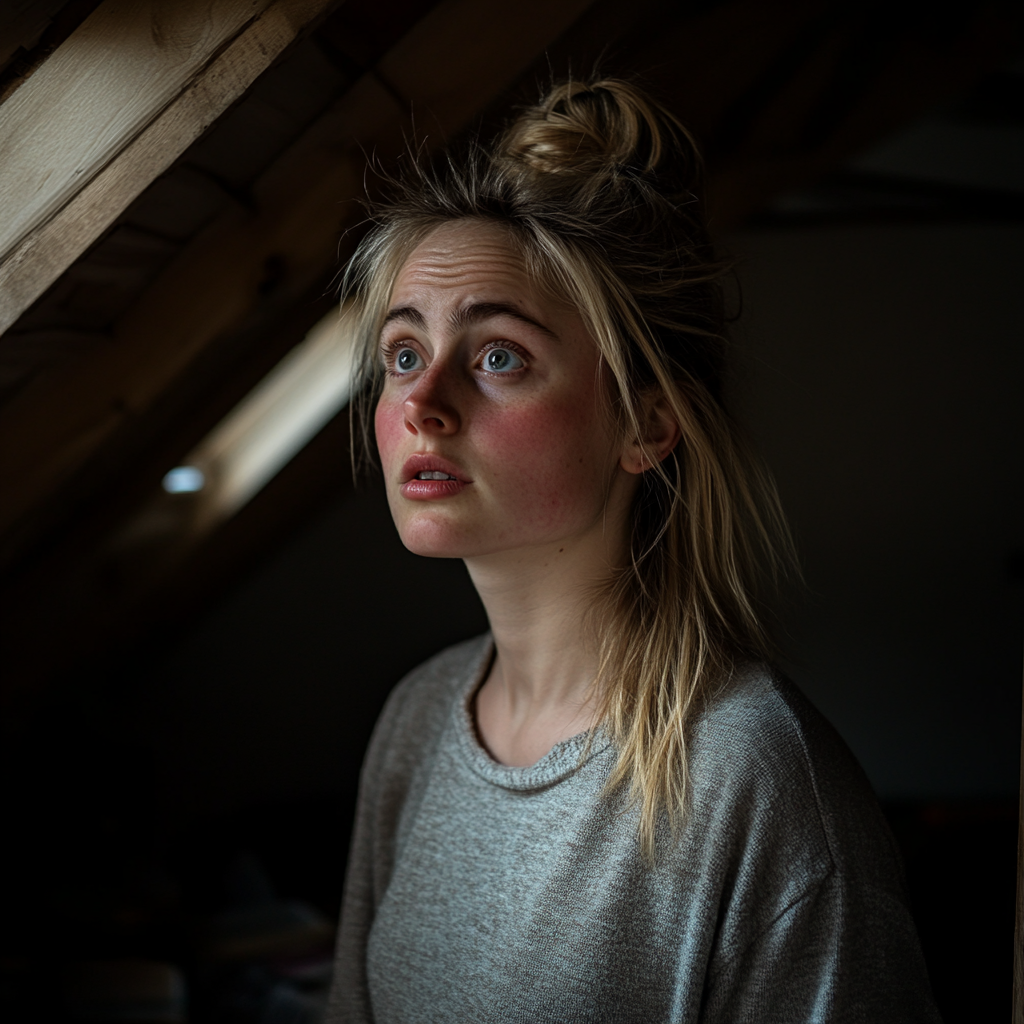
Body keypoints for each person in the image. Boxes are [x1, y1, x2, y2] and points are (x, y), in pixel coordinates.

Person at [325, 79, 940, 1023]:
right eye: (404, 354)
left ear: (647, 426)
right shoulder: (415, 721)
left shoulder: (755, 780)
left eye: (499, 357)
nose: (422, 403)